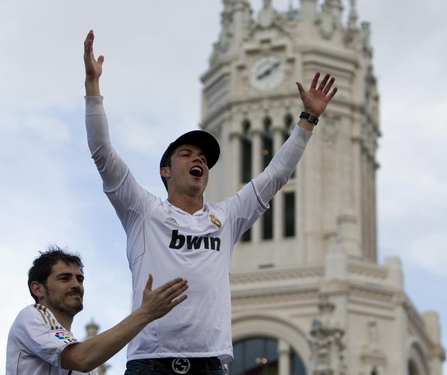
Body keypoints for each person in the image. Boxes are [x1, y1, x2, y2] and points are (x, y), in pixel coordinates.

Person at [83, 29, 337, 375]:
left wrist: (307, 121)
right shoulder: (144, 211)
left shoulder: (227, 216)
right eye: (186, 154)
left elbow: (275, 175)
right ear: (165, 171)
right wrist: (93, 90)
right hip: (151, 362)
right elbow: (102, 154)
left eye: (202, 156)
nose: (196, 159)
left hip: (211, 364)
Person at [6, 246, 189, 375]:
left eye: (80, 279)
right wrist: (146, 313)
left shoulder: (87, 360)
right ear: (38, 289)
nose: (76, 285)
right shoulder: (31, 316)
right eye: (64, 278)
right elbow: (82, 358)